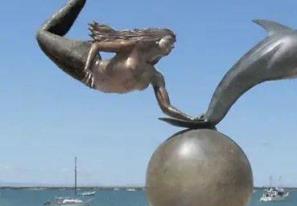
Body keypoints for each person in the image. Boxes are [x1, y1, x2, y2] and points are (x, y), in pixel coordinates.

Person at [36, 0, 198, 124]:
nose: (172, 46)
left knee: (47, 37)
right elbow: (97, 46)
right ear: (157, 39)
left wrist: (192, 120)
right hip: (88, 62)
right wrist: (88, 68)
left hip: (91, 83)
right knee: (42, 35)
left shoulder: (156, 77)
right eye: (169, 41)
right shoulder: (134, 48)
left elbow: (166, 108)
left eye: (174, 44)